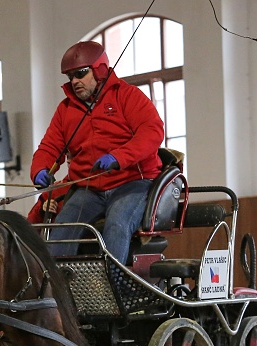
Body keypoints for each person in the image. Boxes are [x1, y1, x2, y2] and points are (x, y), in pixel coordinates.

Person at [30, 41, 165, 263]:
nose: (74, 81)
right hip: (88, 188)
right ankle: (58, 291)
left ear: (99, 69)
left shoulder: (128, 96)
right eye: (70, 76)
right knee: (63, 231)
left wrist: (119, 157)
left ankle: (113, 287)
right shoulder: (65, 110)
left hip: (132, 182)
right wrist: (39, 170)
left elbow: (152, 132)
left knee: (117, 223)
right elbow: (50, 146)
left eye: (80, 73)